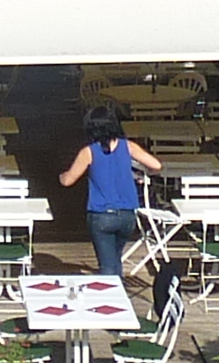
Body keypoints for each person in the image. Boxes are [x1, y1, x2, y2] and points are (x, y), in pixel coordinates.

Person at [58, 108, 162, 279]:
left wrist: (60, 175)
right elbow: (156, 165)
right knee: (115, 260)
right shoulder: (128, 146)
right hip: (127, 216)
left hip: (101, 216)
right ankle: (118, 293)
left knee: (107, 267)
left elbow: (68, 180)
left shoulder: (89, 151)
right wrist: (140, 175)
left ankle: (110, 300)